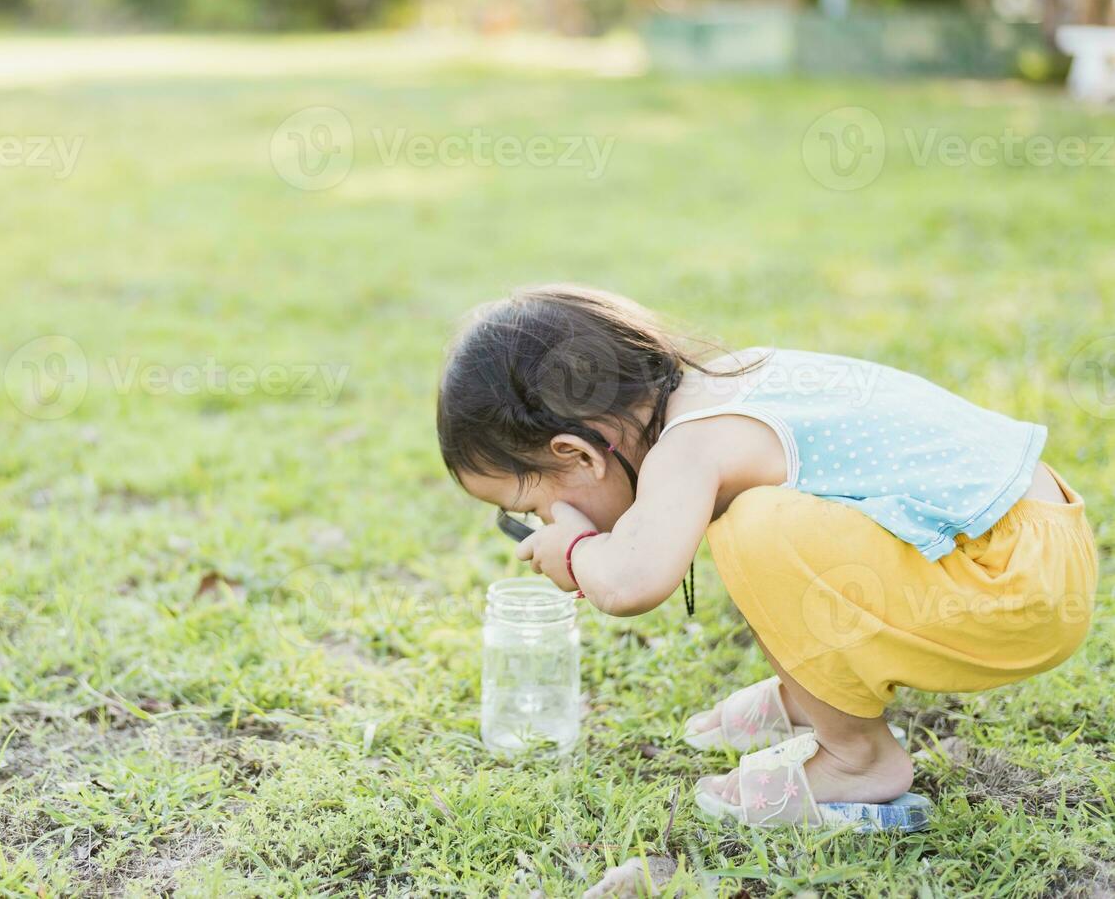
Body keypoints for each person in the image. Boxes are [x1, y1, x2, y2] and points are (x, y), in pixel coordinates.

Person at [436, 285, 1097, 830]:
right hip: (1028, 545)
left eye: (530, 508)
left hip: (1008, 585)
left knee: (757, 527)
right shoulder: (724, 386)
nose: (538, 526)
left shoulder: (693, 447)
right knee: (753, 521)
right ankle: (811, 694)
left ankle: (857, 758)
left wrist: (576, 549)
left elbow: (633, 582)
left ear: (575, 454)